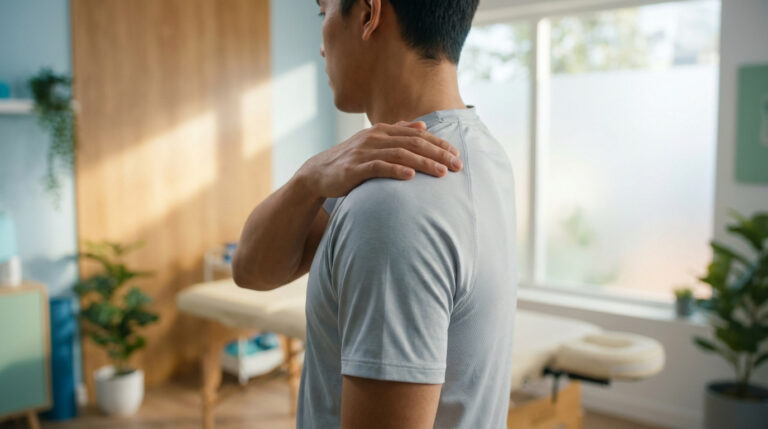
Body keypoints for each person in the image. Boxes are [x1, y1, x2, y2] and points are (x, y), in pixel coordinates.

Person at [232, 0, 518, 427]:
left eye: (321, 12)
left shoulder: (392, 206)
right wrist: (309, 177)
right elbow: (252, 270)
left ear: (368, 14)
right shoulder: (483, 152)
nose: (322, 47)